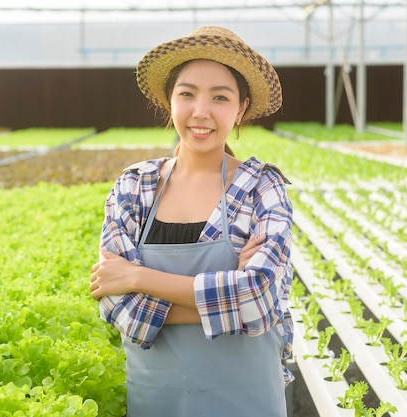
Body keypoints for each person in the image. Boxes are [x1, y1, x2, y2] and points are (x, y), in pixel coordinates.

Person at [89, 26, 293, 417]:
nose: (201, 111)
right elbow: (117, 307)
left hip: (247, 399)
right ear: (170, 100)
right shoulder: (135, 187)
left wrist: (139, 278)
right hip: (157, 399)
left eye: (220, 96)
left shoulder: (261, 188)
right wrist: (230, 301)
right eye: (187, 94)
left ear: (242, 107)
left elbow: (260, 299)